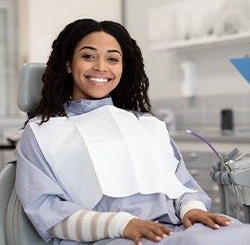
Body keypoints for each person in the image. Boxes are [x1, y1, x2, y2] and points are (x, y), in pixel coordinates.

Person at [16, 18, 250, 245]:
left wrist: (193, 210)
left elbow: (183, 186)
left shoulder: (147, 124)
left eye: (113, 59)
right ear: (68, 63)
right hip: (111, 236)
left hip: (182, 227)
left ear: (123, 68)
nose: (101, 66)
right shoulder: (42, 133)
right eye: (88, 56)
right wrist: (122, 225)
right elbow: (47, 210)